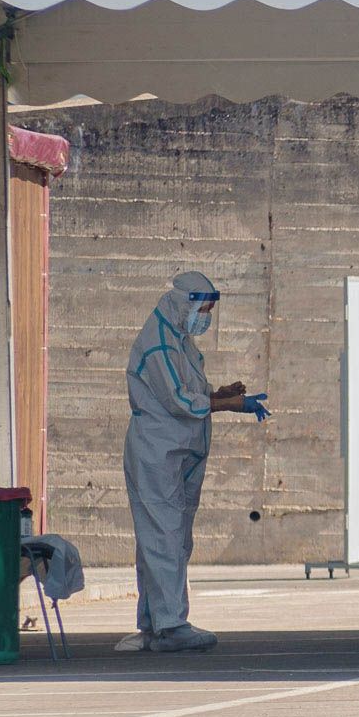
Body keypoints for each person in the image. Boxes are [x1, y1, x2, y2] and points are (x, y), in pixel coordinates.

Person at [115, 271, 270, 653]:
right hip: (158, 453)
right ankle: (171, 625)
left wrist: (221, 393)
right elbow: (179, 402)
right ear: (183, 303)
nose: (207, 317)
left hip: (177, 453)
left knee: (169, 537)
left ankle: (154, 622)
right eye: (204, 309)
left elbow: (190, 392)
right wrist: (232, 405)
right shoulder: (158, 345)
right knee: (165, 536)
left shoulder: (178, 340)